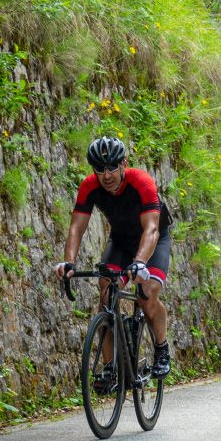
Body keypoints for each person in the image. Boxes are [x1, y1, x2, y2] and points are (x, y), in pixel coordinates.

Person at [54, 135, 173, 380]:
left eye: (112, 168)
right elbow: (77, 228)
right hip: (121, 240)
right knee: (107, 294)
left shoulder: (141, 181)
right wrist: (69, 262)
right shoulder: (89, 187)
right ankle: (110, 368)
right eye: (100, 169)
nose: (106, 175)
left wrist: (140, 262)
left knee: (147, 294)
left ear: (123, 164)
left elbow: (151, 230)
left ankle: (162, 348)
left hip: (153, 238)